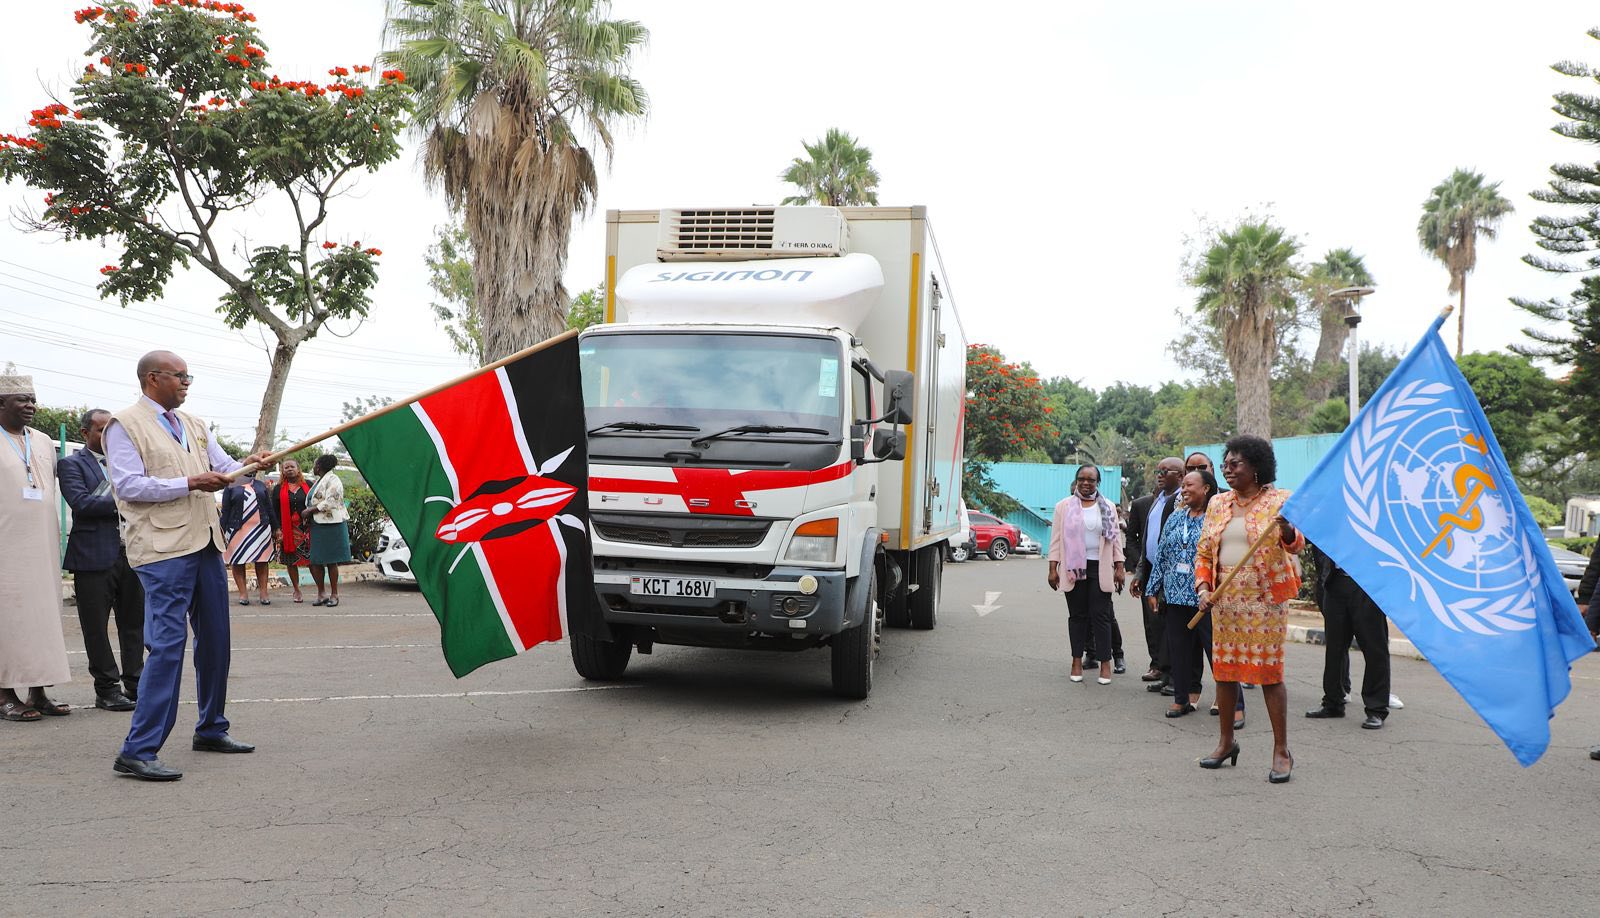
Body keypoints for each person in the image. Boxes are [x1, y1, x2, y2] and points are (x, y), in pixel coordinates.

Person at [105, 351, 271, 781]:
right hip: (162, 549)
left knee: (216, 639)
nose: (186, 383)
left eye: (188, 376)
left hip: (206, 543)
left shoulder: (194, 424)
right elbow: (128, 485)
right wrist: (190, 483)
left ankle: (212, 728)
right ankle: (138, 749)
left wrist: (253, 465)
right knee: (167, 644)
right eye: (179, 376)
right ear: (152, 378)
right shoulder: (124, 424)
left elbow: (228, 470)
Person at [1193, 434, 1305, 784]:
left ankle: (1282, 751)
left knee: (1269, 675)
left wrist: (1287, 529)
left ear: (1256, 467)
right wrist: (1203, 587)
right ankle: (1226, 743)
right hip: (1224, 600)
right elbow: (1204, 551)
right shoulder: (1217, 503)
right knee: (1224, 673)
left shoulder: (1281, 501)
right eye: (1225, 463)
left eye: (1235, 463)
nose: (1227, 469)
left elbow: (1297, 546)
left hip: (1264, 601)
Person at [58, 408, 144, 711]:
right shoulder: (71, 464)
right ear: (85, 433)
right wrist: (129, 497)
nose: (109, 435)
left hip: (132, 553)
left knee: (134, 624)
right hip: (93, 557)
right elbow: (81, 503)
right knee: (96, 628)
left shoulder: (128, 463)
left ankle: (136, 683)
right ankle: (107, 689)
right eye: (101, 429)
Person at [0, 375, 74, 722]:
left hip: (42, 545)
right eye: (22, 399)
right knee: (9, 618)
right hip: (6, 547)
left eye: (32, 399)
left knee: (42, 618)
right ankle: (4, 695)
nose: (31, 406)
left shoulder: (42, 441)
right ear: (1, 403)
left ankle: (38, 692)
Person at [1145, 469, 1217, 717]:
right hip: (1175, 596)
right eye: (1183, 485)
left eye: (1189, 485)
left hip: (1206, 597)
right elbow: (1162, 554)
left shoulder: (1216, 518)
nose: (1184, 490)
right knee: (1179, 650)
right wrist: (1153, 588)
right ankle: (1181, 699)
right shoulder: (1176, 517)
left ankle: (1231, 700)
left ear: (1206, 489)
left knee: (1214, 651)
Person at [1048, 464, 1127, 684]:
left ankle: (1105, 664)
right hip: (1073, 568)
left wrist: (1119, 567)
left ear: (1097, 483)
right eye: (1082, 479)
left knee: (1101, 617)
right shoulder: (1063, 506)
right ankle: (1076, 661)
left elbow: (1115, 540)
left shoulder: (1107, 506)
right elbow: (1056, 540)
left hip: (1099, 567)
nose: (1086, 483)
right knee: (1077, 617)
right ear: (1076, 481)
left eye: (1091, 480)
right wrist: (1052, 568)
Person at [1306, 544, 1391, 730]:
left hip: (1367, 584)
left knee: (1374, 648)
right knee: (1334, 648)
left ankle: (1376, 709)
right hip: (1335, 581)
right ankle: (1333, 702)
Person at [1127, 457, 1183, 690]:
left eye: (1165, 471)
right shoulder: (1156, 500)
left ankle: (1175, 677)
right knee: (1154, 622)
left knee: (1171, 624)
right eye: (1158, 471)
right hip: (1151, 569)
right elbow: (1147, 541)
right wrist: (1140, 572)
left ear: (1180, 475)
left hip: (1173, 573)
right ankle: (1161, 668)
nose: (1159, 475)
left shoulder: (1182, 501)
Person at [221, 470, 278, 606]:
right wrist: (221, 531)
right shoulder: (230, 486)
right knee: (238, 561)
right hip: (237, 529)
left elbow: (269, 508)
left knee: (262, 560)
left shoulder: (260, 485)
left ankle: (264, 593)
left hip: (261, 528)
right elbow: (225, 510)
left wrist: (276, 527)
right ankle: (243, 593)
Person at [306, 453, 351, 607]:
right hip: (318, 525)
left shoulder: (334, 479)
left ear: (319, 466)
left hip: (332, 524)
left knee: (331, 562)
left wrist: (310, 510)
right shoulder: (319, 480)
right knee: (316, 561)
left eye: (314, 464)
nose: (313, 467)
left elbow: (331, 501)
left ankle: (334, 594)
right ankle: (321, 593)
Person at [272, 459, 312, 603]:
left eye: (292, 466)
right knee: (291, 562)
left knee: (312, 560)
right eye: (286, 467)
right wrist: (277, 529)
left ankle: (321, 590)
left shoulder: (309, 485)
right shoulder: (278, 489)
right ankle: (296, 590)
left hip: (307, 529)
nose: (289, 469)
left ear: (298, 469)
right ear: (283, 471)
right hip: (287, 530)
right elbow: (274, 511)